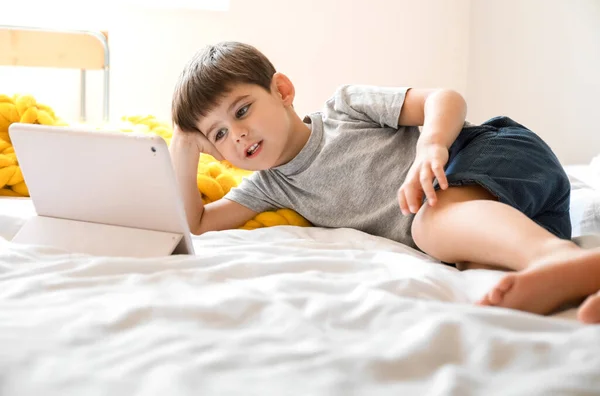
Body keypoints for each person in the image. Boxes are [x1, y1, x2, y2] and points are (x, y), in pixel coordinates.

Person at [168, 41, 600, 324]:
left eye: (241, 110)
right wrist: (183, 150)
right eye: (219, 134)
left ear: (282, 90)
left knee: (430, 224)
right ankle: (572, 284)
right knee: (481, 276)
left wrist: (432, 146)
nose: (237, 134)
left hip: (494, 154)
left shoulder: (344, 108)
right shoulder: (270, 187)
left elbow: (443, 98)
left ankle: (555, 257)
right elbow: (197, 222)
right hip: (514, 212)